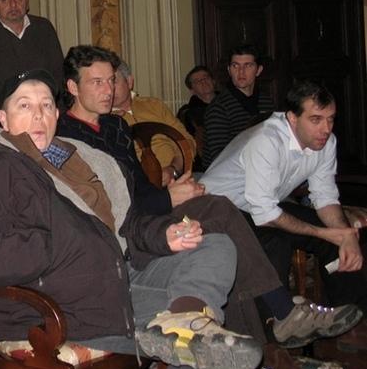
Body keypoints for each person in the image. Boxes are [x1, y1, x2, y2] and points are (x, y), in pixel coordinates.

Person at [0, 68, 264, 369]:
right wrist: (49, 246)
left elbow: (126, 224)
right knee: (193, 344)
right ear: (3, 119)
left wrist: (164, 234)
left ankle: (183, 319)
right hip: (65, 304)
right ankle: (185, 328)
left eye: (46, 105)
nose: (38, 115)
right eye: (24, 106)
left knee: (216, 245)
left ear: (57, 114)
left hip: (119, 275)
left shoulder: (80, 158)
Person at [57, 45, 362, 350]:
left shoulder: (116, 125)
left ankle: (274, 336)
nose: (109, 90)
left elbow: (139, 187)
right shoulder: (67, 136)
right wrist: (167, 199)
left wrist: (170, 189)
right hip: (126, 232)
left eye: (111, 80)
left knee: (221, 222)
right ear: (72, 87)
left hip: (151, 212)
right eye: (97, 82)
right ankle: (282, 315)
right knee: (222, 212)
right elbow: (109, 207)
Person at [201, 80, 367, 314]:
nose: (326, 129)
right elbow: (266, 215)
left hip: (257, 206)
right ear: (292, 118)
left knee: (333, 234)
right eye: (316, 120)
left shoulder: (325, 142)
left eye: (330, 119)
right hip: (215, 210)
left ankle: (352, 313)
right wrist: (323, 233)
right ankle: (276, 323)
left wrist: (344, 234)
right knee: (276, 243)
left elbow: (325, 196)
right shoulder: (266, 141)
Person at [110, 56, 196, 186]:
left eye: (113, 81)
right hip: (139, 187)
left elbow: (186, 141)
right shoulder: (104, 119)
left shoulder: (154, 105)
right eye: (102, 83)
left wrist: (173, 170)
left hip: (179, 177)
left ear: (129, 82)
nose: (108, 88)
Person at [202, 44, 275, 169]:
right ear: (229, 70)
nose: (241, 72)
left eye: (248, 65)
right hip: (227, 174)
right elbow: (219, 159)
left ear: (258, 70)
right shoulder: (219, 108)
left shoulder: (266, 102)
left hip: (262, 167)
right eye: (235, 66)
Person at [177, 65, 216, 139]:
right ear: (192, 90)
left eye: (206, 78)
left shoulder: (229, 102)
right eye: (197, 81)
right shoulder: (186, 114)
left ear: (213, 81)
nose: (203, 82)